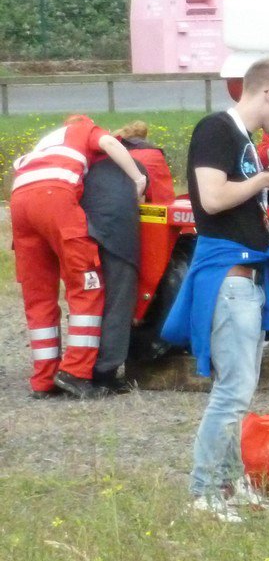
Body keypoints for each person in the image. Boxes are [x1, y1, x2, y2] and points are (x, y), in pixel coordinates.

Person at [160, 57, 269, 521]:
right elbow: (213, 198)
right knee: (233, 393)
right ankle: (204, 493)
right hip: (229, 278)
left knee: (237, 391)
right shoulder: (216, 130)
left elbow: (238, 195)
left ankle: (232, 485)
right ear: (268, 94)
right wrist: (264, 179)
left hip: (248, 279)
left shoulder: (243, 140)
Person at [10, 114, 148, 399]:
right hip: (55, 196)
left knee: (38, 295)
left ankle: (43, 380)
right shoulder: (84, 129)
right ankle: (75, 372)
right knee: (87, 284)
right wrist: (138, 178)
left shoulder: (46, 143)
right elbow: (109, 142)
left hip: (20, 201)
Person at [80, 121, 176, 393]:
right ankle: (106, 372)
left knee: (90, 299)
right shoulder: (150, 157)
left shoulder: (97, 156)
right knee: (121, 300)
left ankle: (79, 367)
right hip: (119, 231)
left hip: (83, 228)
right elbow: (162, 205)